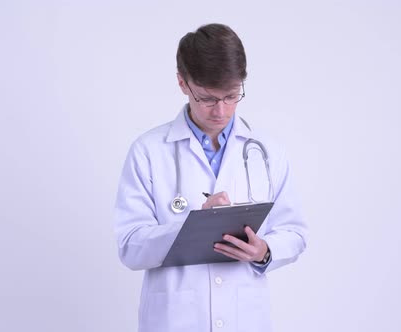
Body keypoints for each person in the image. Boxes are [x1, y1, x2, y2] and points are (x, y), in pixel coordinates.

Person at [114, 23, 308, 332]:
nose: (221, 110)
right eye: (207, 98)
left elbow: (294, 233)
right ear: (182, 83)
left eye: (231, 96)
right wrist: (192, 226)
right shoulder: (147, 151)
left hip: (245, 320)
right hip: (175, 320)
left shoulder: (268, 153)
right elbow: (130, 246)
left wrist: (264, 251)